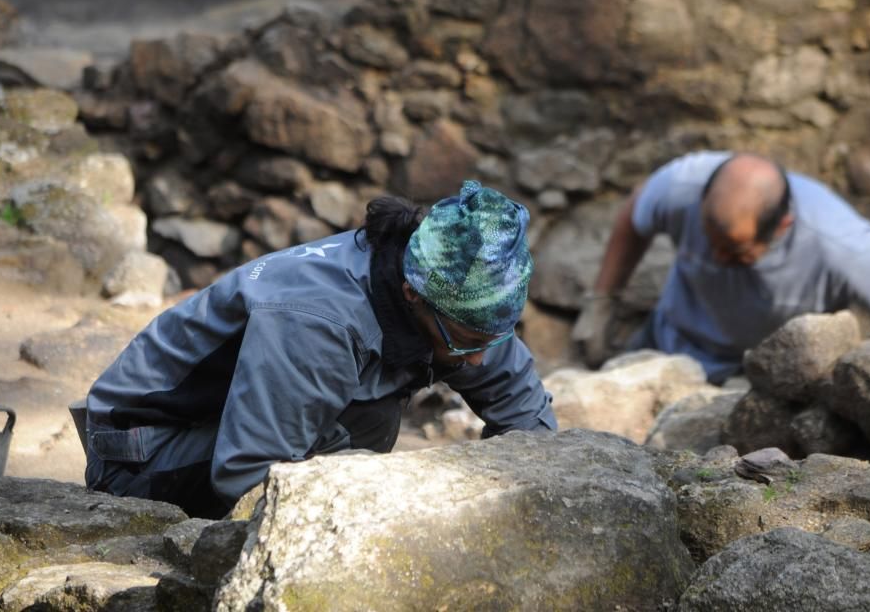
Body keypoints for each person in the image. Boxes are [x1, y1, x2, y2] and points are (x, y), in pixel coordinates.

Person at [84, 180, 557, 518]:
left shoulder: (464, 301)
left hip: (222, 432)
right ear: (414, 294)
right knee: (363, 445)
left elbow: (530, 424)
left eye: (494, 337)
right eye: (469, 342)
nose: (478, 357)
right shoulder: (318, 323)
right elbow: (248, 473)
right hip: (139, 455)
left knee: (370, 424)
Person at [574, 151, 870, 384]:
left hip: (755, 377)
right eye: (711, 238)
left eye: (735, 251)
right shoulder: (684, 183)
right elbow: (636, 212)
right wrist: (602, 300)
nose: (718, 257)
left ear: (782, 227)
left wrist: (866, 368)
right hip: (668, 340)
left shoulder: (839, 246)